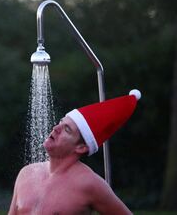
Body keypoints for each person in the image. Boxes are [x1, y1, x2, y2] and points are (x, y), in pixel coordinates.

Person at [8, 89, 141, 215]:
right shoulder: (27, 173)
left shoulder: (90, 183)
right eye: (60, 122)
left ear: (81, 147)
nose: (56, 128)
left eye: (67, 129)